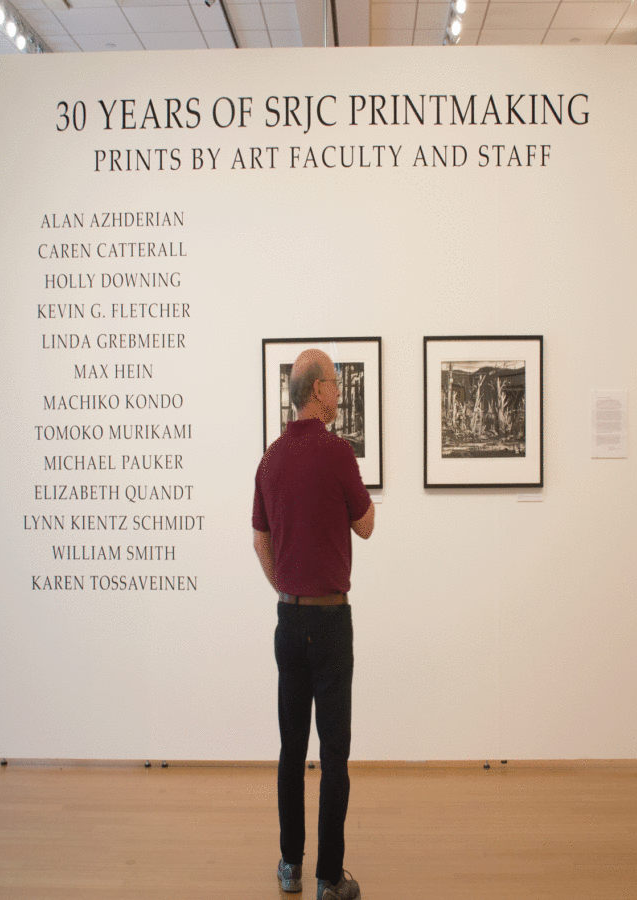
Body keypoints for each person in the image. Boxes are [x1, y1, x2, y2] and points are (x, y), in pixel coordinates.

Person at [252, 349, 375, 900]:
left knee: (290, 748)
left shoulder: (270, 459)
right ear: (317, 391)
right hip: (330, 620)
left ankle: (288, 866)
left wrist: (285, 581)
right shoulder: (338, 453)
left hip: (287, 616)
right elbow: (367, 525)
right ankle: (330, 877)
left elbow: (259, 537)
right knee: (334, 752)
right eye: (335, 382)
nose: (340, 391)